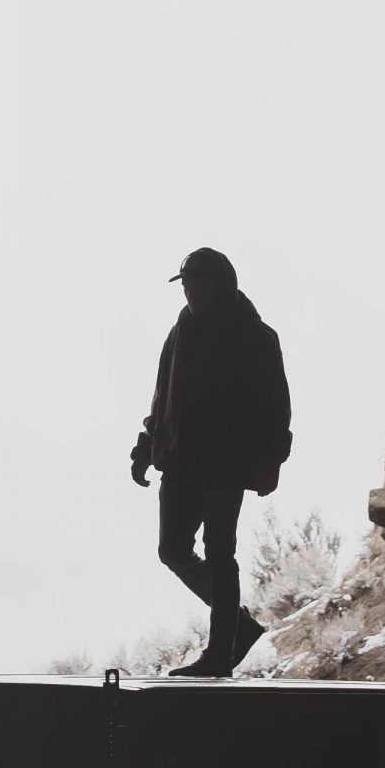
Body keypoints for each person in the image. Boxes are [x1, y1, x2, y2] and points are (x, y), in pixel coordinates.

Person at [130, 247, 292, 678]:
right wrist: (145, 445)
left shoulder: (255, 335)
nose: (188, 291)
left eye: (196, 282)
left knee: (220, 554)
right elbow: (162, 395)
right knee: (172, 550)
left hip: (226, 464)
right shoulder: (179, 332)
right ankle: (237, 625)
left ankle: (220, 652)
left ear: (221, 284)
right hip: (180, 462)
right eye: (184, 283)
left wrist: (271, 459)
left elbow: (277, 406)